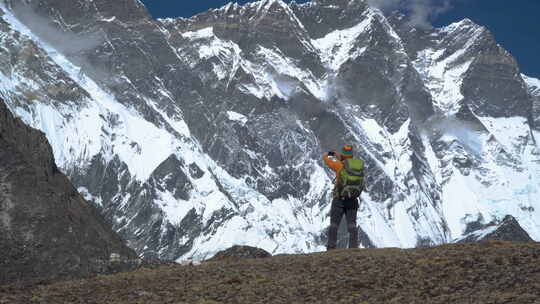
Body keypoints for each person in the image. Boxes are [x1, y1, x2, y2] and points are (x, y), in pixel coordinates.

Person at [323, 145, 364, 250]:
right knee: (352, 225)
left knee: (334, 225)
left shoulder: (338, 165)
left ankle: (331, 248)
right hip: (353, 200)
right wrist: (340, 156)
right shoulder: (357, 166)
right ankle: (353, 248)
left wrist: (328, 154)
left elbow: (326, 160)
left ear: (342, 155)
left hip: (339, 199)